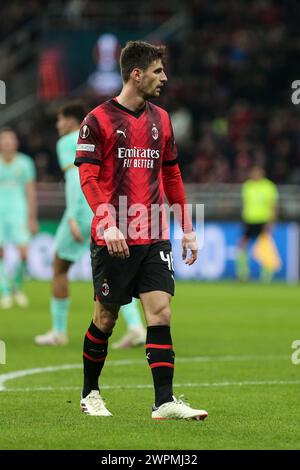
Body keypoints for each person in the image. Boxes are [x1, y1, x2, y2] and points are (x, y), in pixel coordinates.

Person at [75, 40, 208, 420]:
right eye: (157, 71)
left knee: (161, 312)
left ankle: (164, 401)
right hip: (113, 237)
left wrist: (186, 228)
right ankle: (90, 393)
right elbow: (87, 176)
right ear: (136, 74)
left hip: (152, 232)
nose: (163, 78)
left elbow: (171, 174)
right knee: (106, 318)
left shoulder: (162, 120)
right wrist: (107, 221)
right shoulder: (97, 120)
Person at [35, 102, 146, 347]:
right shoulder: (101, 135)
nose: (58, 125)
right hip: (107, 207)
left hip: (84, 209)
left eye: (60, 119)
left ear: (71, 121)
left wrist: (73, 215)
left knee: (59, 265)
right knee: (117, 271)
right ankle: (137, 327)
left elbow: (76, 178)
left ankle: (59, 331)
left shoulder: (67, 142)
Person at [0, 128, 38, 309]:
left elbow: (30, 192)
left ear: (16, 143)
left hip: (18, 212)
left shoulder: (25, 163)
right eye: (4, 139)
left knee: (24, 253)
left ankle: (17, 287)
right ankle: (5, 291)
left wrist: (32, 217)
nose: (7, 142)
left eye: (10, 139)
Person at [236, 165, 279, 282]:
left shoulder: (269, 186)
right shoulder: (247, 186)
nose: (255, 175)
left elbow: (273, 206)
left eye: (257, 173)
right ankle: (243, 272)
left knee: (264, 247)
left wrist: (271, 222)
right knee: (242, 245)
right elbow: (245, 205)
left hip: (263, 220)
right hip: (249, 220)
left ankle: (266, 274)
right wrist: (243, 219)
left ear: (262, 173)